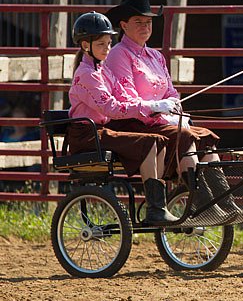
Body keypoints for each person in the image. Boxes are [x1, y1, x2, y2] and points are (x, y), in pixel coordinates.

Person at [104, 0, 243, 217]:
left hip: (161, 122)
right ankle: (203, 204)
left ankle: (225, 202)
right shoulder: (119, 55)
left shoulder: (155, 56)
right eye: (138, 22)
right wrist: (160, 108)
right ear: (124, 25)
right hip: (136, 124)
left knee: (205, 137)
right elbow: (127, 98)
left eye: (148, 22)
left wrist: (174, 106)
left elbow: (171, 91)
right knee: (186, 136)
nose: (145, 27)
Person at [67, 11, 178, 224]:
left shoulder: (104, 71)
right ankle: (156, 207)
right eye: (101, 44)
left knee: (159, 140)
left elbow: (123, 98)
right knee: (151, 141)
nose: (107, 49)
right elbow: (111, 107)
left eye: (109, 43)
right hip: (87, 135)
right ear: (85, 46)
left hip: (102, 131)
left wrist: (152, 108)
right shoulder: (87, 75)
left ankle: (157, 205)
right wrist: (150, 106)